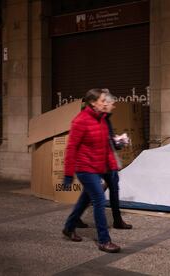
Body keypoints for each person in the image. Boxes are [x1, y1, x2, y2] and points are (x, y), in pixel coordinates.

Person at [61, 88, 121, 253]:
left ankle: (69, 227)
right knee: (99, 201)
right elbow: (71, 148)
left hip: (99, 167)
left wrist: (112, 166)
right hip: (85, 168)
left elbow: (106, 148)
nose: (106, 103)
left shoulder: (101, 119)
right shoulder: (80, 121)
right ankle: (104, 240)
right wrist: (68, 174)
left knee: (84, 201)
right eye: (103, 100)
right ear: (93, 103)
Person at [76, 91, 132, 230]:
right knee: (97, 191)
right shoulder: (89, 118)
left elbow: (108, 139)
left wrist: (118, 142)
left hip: (106, 160)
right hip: (96, 162)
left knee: (110, 187)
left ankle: (117, 220)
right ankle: (76, 222)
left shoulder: (105, 117)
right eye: (109, 102)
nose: (112, 105)